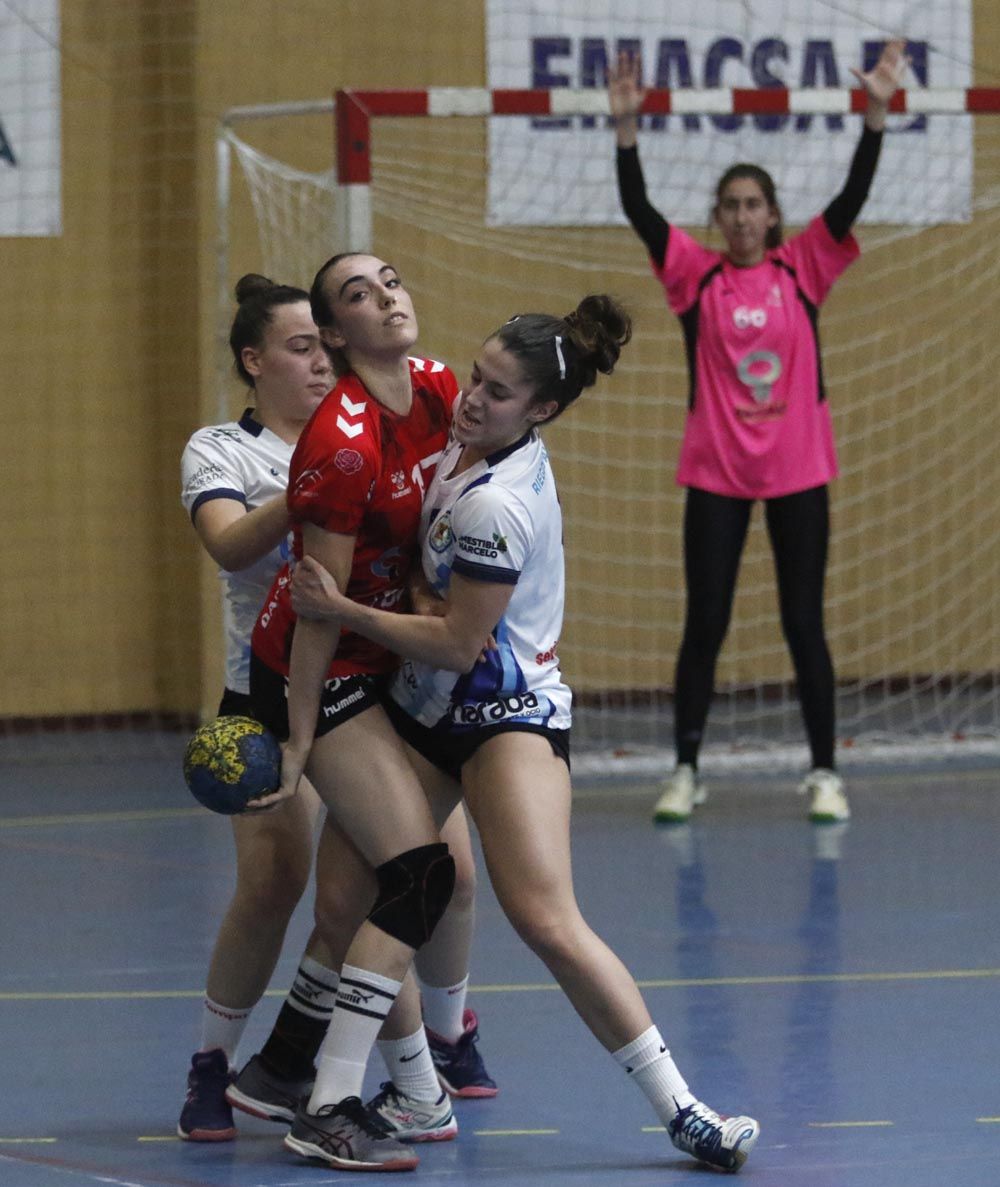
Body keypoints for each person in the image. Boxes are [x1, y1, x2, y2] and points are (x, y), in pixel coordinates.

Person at [289, 296, 760, 1174]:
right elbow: (439, 603)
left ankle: (684, 1109)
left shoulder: (500, 502)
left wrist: (345, 608)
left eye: (498, 393)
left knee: (545, 916)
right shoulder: (459, 449)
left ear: (541, 410)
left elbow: (462, 641)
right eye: (475, 376)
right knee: (380, 891)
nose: (473, 399)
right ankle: (379, 1096)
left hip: (504, 715)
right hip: (427, 706)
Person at [177, 272, 493, 1146]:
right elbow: (231, 540)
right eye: (299, 346)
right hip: (273, 687)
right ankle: (216, 1064)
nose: (317, 361)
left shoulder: (395, 405)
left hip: (385, 677)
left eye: (322, 345)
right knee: (278, 883)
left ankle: (421, 1050)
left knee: (432, 876)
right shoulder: (226, 447)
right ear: (256, 358)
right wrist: (323, 484)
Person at [608, 41, 909, 825]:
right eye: (730, 206)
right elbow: (640, 212)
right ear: (718, 219)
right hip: (713, 472)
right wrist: (626, 129)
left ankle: (823, 772)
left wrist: (874, 113)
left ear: (772, 216)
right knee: (704, 621)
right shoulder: (692, 276)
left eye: (754, 205)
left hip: (798, 469)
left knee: (802, 621)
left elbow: (850, 196)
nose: (742, 217)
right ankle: (684, 768)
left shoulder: (804, 267)